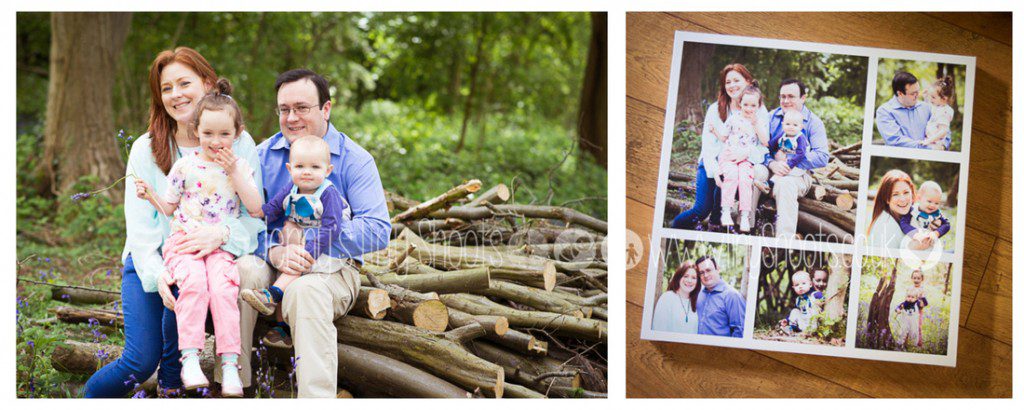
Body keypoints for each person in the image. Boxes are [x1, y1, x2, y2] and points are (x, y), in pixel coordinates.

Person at [85, 47, 265, 398]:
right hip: (153, 264)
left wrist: (222, 234)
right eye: (166, 88)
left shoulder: (237, 143)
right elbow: (140, 232)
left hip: (213, 263)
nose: (176, 94)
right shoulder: (146, 148)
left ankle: (201, 377)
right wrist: (160, 275)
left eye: (185, 83)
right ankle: (88, 399)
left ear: (209, 84)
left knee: (175, 362)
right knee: (139, 361)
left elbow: (253, 219)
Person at [236, 68, 391, 397]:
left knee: (304, 291)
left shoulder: (355, 160)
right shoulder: (263, 157)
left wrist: (311, 241)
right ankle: (237, 386)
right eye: (284, 109)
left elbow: (378, 230)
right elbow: (245, 220)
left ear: (326, 109)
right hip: (275, 258)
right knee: (244, 270)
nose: (291, 117)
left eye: (302, 108)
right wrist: (274, 250)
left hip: (332, 267)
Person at [134, 79, 261, 396]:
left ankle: (231, 363)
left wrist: (235, 173)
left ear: (237, 134)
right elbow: (168, 207)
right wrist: (149, 194)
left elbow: (256, 208)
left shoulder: (240, 166)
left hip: (219, 249)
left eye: (224, 135)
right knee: (193, 285)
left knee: (223, 289)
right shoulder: (184, 167)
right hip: (185, 247)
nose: (216, 142)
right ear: (196, 132)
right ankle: (189, 357)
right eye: (208, 134)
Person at [240, 135, 352, 347]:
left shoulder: (328, 194)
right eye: (300, 166)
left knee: (294, 263)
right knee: (289, 265)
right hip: (299, 246)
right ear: (290, 169)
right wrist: (258, 214)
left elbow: (332, 228)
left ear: (327, 171)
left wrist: (308, 250)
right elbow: (274, 208)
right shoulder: (291, 189)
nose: (306, 172)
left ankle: (271, 295)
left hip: (326, 249)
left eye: (315, 167)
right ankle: (281, 327)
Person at [670, 63, 769, 230]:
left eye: (736, 80)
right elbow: (708, 149)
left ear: (748, 82)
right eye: (728, 82)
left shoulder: (758, 110)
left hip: (740, 167)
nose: (732, 85)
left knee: (722, 206)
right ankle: (671, 230)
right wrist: (715, 171)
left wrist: (745, 153)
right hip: (713, 165)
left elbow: (763, 148)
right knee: (701, 210)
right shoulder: (715, 110)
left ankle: (726, 221)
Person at [751, 79, 830, 239]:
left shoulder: (814, 123)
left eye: (791, 96)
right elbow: (760, 147)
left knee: (785, 183)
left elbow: (822, 156)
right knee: (757, 171)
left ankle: (784, 239)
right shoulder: (771, 117)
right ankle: (747, 222)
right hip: (772, 170)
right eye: (782, 97)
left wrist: (790, 159)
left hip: (799, 175)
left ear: (803, 98)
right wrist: (772, 163)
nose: (785, 101)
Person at [713, 84, 769, 232]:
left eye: (753, 105)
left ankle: (745, 215)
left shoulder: (758, 122)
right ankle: (726, 211)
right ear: (740, 103)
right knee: (731, 176)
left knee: (745, 180)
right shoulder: (733, 119)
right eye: (745, 104)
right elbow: (724, 138)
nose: (749, 108)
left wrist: (756, 124)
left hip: (745, 158)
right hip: (730, 155)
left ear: (758, 106)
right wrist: (714, 132)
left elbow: (765, 141)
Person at [876, 71, 945, 149]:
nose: (917, 96)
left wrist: (944, 145)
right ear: (900, 94)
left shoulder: (926, 107)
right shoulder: (885, 111)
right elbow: (896, 141)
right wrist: (930, 148)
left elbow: (943, 127)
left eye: (918, 91)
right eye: (913, 94)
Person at [866, 169, 932, 250]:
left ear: (912, 193)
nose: (903, 199)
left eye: (906, 192)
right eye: (895, 194)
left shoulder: (911, 215)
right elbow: (884, 261)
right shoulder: (886, 227)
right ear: (887, 199)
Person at [694, 256, 746, 338]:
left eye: (708, 270)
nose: (705, 275)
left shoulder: (732, 295)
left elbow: (740, 331)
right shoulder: (698, 294)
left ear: (717, 269)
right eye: (701, 272)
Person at [898, 180, 950, 250]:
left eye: (936, 203)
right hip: (913, 242)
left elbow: (947, 225)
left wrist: (936, 233)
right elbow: (903, 223)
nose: (932, 205)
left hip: (929, 245)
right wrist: (915, 234)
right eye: (929, 201)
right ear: (919, 198)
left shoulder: (937, 214)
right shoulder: (912, 210)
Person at [651, 261, 701, 334]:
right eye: (685, 276)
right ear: (679, 277)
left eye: (694, 278)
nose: (689, 280)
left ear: (697, 282)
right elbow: (658, 331)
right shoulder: (667, 298)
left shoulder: (695, 302)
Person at [920, 76, 956, 150]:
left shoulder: (945, 112)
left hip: (936, 143)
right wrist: (926, 97)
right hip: (930, 140)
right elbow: (929, 107)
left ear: (944, 99)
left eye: (933, 97)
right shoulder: (937, 105)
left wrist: (928, 141)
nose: (931, 99)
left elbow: (943, 131)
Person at [895, 269, 929, 348]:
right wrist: (901, 307)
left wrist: (922, 300)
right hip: (908, 311)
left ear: (922, 279)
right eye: (914, 278)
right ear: (912, 278)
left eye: (918, 278)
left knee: (918, 327)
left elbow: (925, 303)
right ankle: (905, 343)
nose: (916, 280)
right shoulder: (910, 288)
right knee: (906, 326)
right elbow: (906, 300)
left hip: (918, 312)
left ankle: (918, 344)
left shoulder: (922, 290)